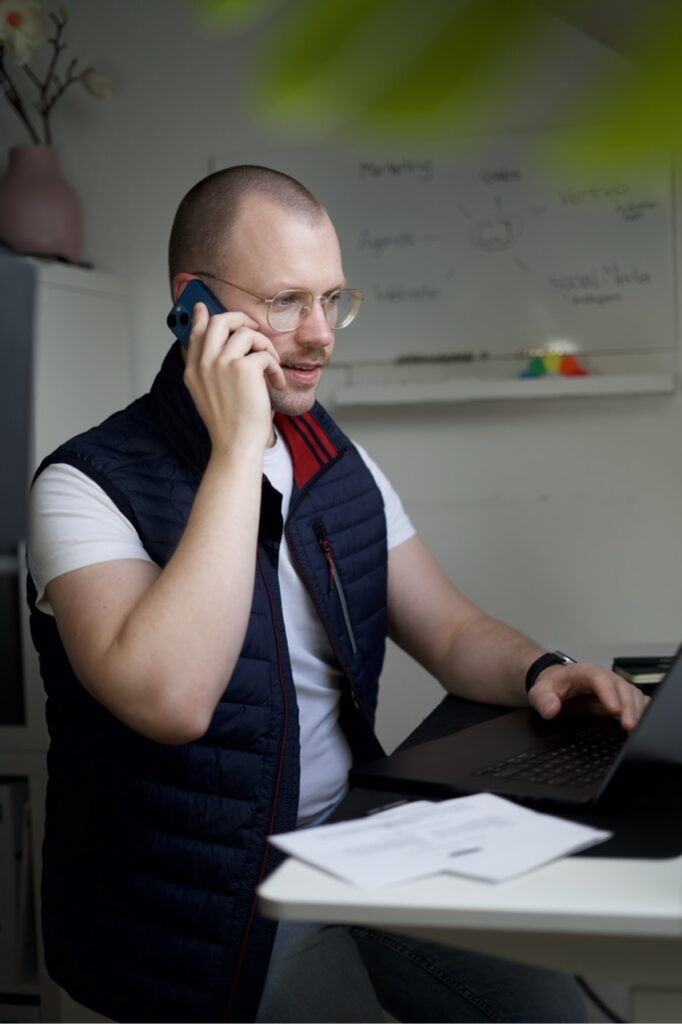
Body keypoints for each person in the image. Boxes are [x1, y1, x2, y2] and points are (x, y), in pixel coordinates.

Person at [27, 164, 647, 1023]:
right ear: (192, 304)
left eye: (333, 300)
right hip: (211, 904)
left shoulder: (328, 455)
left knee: (550, 1009)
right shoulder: (82, 485)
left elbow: (452, 628)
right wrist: (238, 450)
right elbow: (171, 700)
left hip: (359, 845)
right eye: (287, 302)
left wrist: (546, 667)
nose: (320, 336)